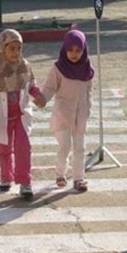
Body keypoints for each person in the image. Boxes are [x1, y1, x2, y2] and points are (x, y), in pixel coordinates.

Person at [0, 29, 46, 200]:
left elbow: (31, 85)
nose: (16, 53)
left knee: (23, 148)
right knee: (4, 149)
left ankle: (25, 182)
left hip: (20, 116)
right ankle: (6, 177)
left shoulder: (24, 66)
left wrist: (37, 95)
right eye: (12, 49)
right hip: (2, 118)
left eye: (18, 48)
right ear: (2, 49)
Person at [40, 30, 94, 192]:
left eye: (78, 50)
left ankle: (79, 178)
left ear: (84, 50)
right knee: (64, 146)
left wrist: (88, 109)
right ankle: (60, 174)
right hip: (63, 115)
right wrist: (42, 98)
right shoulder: (58, 68)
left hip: (81, 115)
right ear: (65, 49)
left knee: (80, 148)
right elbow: (49, 88)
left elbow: (89, 91)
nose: (74, 54)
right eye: (70, 50)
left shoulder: (87, 69)